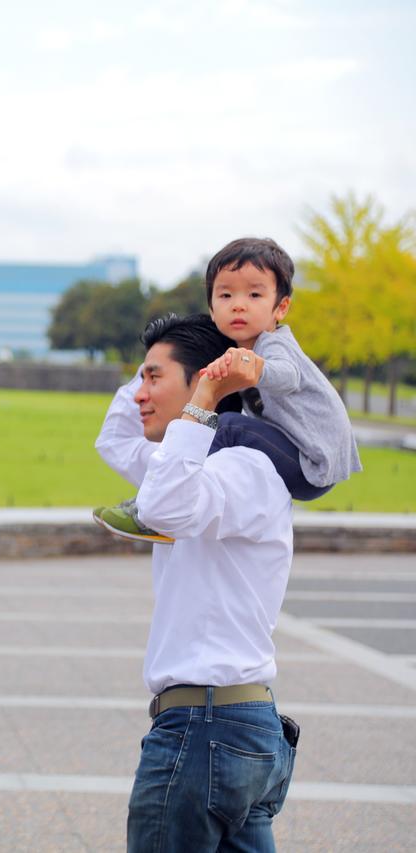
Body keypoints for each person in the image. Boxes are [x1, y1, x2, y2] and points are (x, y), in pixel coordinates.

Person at [95, 313, 298, 852]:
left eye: (153, 378)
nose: (139, 393)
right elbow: (115, 438)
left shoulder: (244, 469)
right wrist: (187, 340)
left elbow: (161, 504)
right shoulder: (183, 467)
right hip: (229, 730)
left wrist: (206, 389)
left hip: (207, 730)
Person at [94, 237, 361, 543]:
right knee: (223, 428)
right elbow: (115, 441)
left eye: (254, 294)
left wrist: (254, 366)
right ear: (211, 307)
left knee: (227, 425)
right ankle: (152, 502)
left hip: (310, 464)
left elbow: (288, 376)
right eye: (225, 295)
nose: (238, 304)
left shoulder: (273, 343)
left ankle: (151, 512)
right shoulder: (238, 352)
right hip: (300, 458)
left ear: (281, 307)